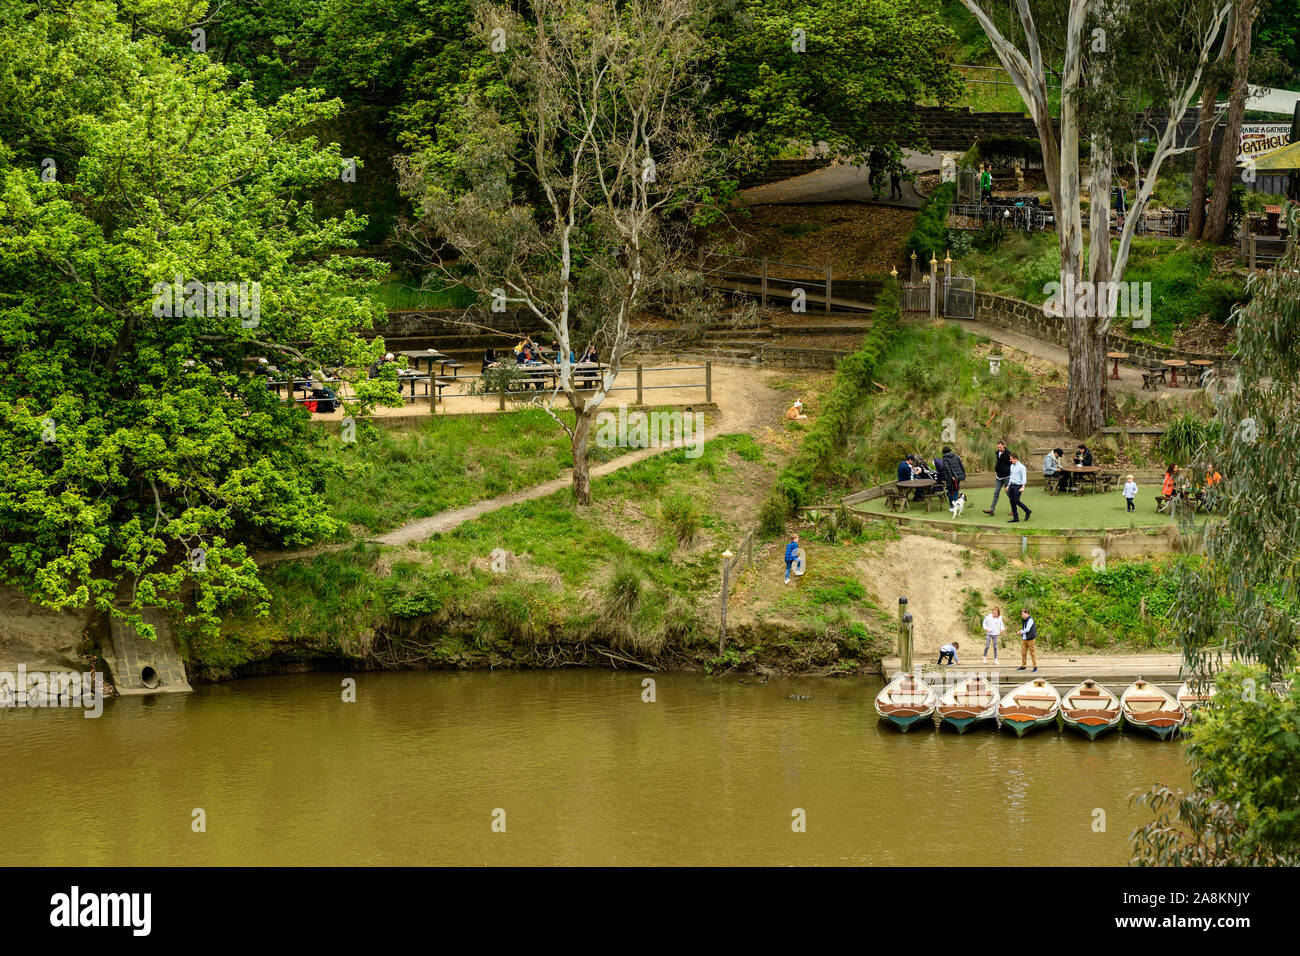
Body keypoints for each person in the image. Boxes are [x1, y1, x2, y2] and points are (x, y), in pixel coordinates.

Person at [983, 439, 1011, 515]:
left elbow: (1011, 464)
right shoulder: (997, 453)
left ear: (1003, 446)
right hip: (999, 477)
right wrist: (996, 469)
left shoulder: (1009, 454)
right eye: (998, 447)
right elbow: (998, 463)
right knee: (996, 493)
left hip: (1007, 477)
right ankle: (992, 510)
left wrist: (1006, 470)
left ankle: (1013, 510)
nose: (999, 449)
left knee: (1009, 493)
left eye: (1000, 447)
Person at [1006, 452, 1031, 522]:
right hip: (1011, 485)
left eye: (1011, 459)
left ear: (1016, 458)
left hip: (1018, 486)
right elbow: (1011, 476)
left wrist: (1023, 487)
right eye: (1010, 459)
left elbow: (1024, 477)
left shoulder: (1022, 467)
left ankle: (1027, 511)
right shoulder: (1011, 466)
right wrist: (1008, 485)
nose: (1010, 460)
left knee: (1016, 500)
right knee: (1012, 501)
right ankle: (1015, 518)